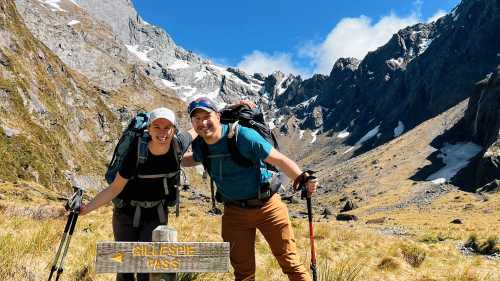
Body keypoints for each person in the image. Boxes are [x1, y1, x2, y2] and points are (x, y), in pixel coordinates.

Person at [182, 97, 318, 281]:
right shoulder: (201, 145)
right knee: (243, 274)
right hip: (234, 214)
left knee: (291, 265)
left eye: (206, 116)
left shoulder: (243, 136)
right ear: (192, 122)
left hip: (269, 208)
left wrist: (303, 178)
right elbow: (194, 158)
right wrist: (167, 157)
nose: (202, 122)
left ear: (218, 116)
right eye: (196, 119)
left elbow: (278, 159)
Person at [79, 107, 195, 281]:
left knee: (147, 269)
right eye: (157, 127)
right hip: (126, 213)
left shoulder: (178, 144)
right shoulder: (136, 152)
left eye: (167, 127)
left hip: (156, 215)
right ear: (149, 128)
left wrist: (225, 115)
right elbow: (114, 188)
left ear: (174, 130)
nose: (163, 132)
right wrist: (86, 209)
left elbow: (197, 130)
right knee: (125, 266)